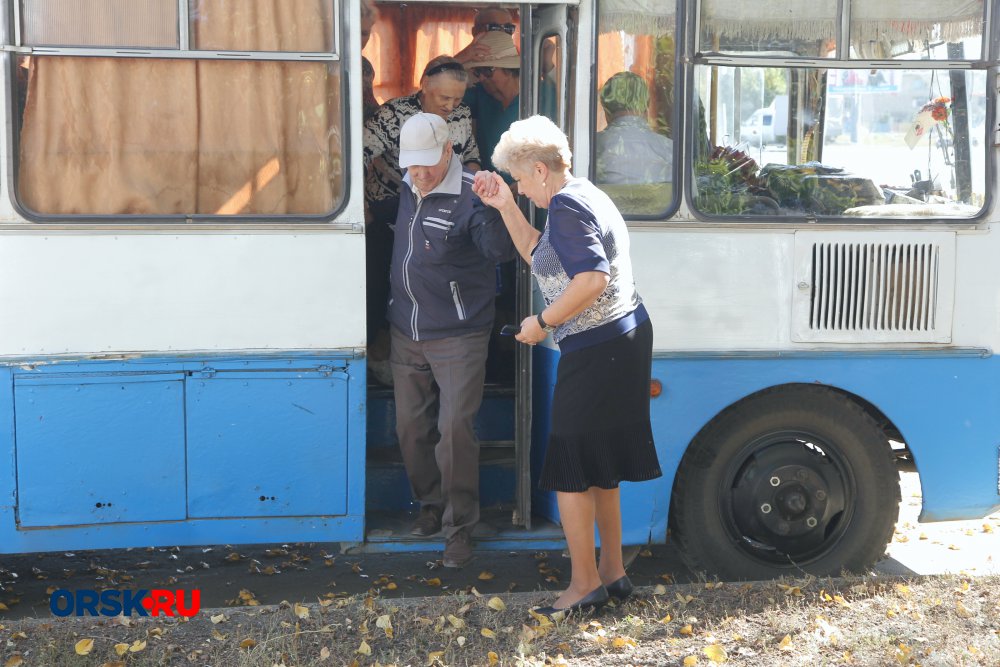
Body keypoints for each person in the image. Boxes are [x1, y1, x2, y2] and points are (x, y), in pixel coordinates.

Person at [473, 115, 662, 616]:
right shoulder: (581, 194)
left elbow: (591, 278)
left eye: (518, 179)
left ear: (540, 169)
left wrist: (540, 321)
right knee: (600, 463)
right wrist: (506, 205)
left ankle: (584, 586)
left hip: (599, 347)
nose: (518, 186)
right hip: (621, 338)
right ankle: (612, 573)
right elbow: (542, 255)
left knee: (573, 468)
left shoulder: (568, 205)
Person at [389, 113, 516, 568]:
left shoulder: (470, 196)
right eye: (411, 162)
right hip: (406, 331)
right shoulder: (404, 187)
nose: (418, 171)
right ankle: (429, 505)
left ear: (448, 151)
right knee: (409, 428)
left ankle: (459, 528)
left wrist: (498, 206)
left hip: (460, 334)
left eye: (426, 161)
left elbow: (499, 253)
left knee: (455, 433)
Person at [363, 57, 481, 385]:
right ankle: (377, 358)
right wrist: (363, 210)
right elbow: (357, 154)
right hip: (389, 212)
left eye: (457, 98)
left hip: (441, 218)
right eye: (444, 97)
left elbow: (471, 157)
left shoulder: (461, 116)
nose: (450, 105)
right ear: (425, 84)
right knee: (379, 288)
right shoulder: (393, 115)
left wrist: (475, 195)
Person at [595, 72, 673, 185]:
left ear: (606, 112)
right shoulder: (671, 151)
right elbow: (694, 198)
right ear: (647, 108)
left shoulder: (591, 150)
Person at [461, 31, 520, 175]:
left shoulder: (539, 94)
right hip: (488, 190)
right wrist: (461, 58)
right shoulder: (479, 95)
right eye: (477, 72)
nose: (481, 78)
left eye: (487, 71)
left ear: (509, 69)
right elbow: (434, 92)